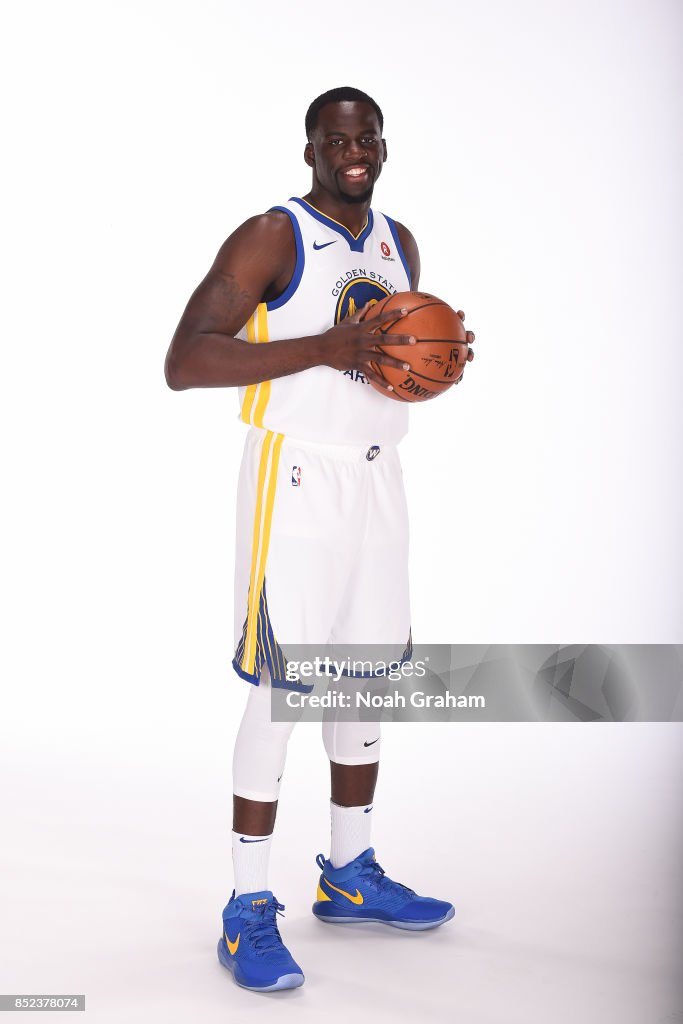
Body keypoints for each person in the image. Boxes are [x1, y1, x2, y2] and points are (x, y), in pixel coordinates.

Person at [165, 86, 475, 993]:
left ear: (382, 146)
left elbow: (390, 359)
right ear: (309, 148)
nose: (354, 150)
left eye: (367, 136)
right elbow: (184, 361)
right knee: (283, 692)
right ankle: (247, 908)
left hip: (379, 475)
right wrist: (323, 348)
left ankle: (348, 874)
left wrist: (435, 362)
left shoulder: (397, 242)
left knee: (365, 679)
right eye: (337, 138)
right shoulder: (271, 236)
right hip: (294, 478)